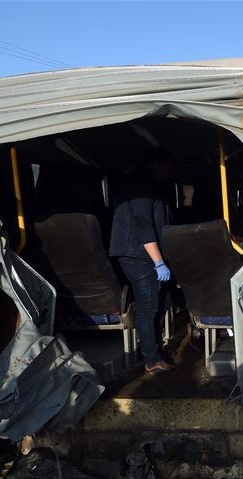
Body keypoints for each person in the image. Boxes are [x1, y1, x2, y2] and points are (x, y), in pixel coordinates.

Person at [109, 149, 176, 375]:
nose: (169, 172)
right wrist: (158, 262)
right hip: (138, 256)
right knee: (148, 308)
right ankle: (152, 360)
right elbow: (143, 225)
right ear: (155, 163)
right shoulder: (141, 187)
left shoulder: (140, 183)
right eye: (166, 167)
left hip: (138, 254)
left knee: (159, 303)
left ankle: (152, 347)